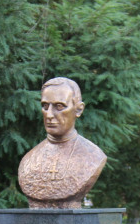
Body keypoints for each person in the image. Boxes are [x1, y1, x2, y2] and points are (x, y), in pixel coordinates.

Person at [18, 77, 107, 208]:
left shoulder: (94, 157)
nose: (49, 115)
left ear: (78, 109)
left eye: (59, 106)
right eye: (45, 106)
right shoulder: (28, 160)